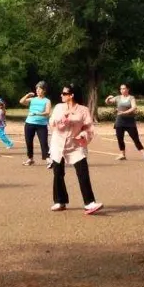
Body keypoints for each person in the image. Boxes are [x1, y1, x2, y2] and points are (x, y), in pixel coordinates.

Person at [48, 84, 103, 214]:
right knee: (58, 173)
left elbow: (88, 127)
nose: (61, 95)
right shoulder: (58, 107)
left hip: (75, 145)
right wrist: (62, 119)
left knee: (83, 172)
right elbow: (52, 122)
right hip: (58, 144)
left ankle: (89, 203)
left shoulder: (83, 110)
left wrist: (83, 135)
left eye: (64, 93)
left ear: (71, 95)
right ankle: (59, 201)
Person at [105, 84, 144, 161]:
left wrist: (124, 113)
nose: (122, 90)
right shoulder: (118, 97)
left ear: (128, 89)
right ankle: (122, 154)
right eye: (121, 89)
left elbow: (134, 107)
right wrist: (108, 98)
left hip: (130, 122)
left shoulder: (131, 98)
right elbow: (108, 102)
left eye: (124, 88)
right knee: (120, 139)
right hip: (119, 122)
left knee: (135, 139)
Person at [19, 81, 52, 167]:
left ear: (44, 90)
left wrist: (37, 114)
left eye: (40, 89)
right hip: (29, 123)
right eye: (37, 88)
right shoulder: (32, 99)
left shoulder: (47, 101)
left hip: (42, 125)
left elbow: (48, 112)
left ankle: (48, 160)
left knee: (43, 142)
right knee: (29, 142)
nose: (37, 90)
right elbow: (21, 101)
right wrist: (27, 95)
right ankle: (30, 159)